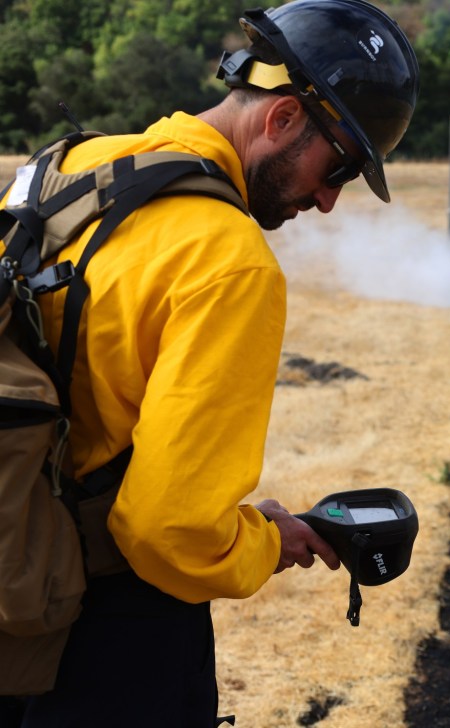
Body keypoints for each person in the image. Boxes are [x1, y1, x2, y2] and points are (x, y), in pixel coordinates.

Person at [2, 0, 419, 725]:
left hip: (15, 587)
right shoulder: (228, 261)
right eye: (341, 166)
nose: (327, 200)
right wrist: (264, 541)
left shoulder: (64, 168)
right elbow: (169, 532)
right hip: (110, 636)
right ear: (283, 118)